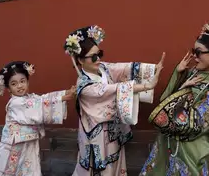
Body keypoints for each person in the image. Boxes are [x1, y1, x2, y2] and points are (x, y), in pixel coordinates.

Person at [63, 25, 165, 176]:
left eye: (99, 54)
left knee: (116, 164)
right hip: (97, 138)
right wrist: (146, 85)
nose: (99, 60)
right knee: (102, 169)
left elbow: (123, 68)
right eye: (93, 57)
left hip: (113, 132)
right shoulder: (84, 86)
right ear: (80, 60)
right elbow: (112, 90)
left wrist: (151, 70)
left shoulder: (103, 68)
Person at [141, 20, 209, 176]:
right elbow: (165, 100)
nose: (194, 56)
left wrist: (183, 89)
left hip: (187, 157)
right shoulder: (193, 74)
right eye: (194, 51)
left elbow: (186, 126)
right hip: (168, 150)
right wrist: (179, 74)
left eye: (198, 52)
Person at [0, 61, 75, 176]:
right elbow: (36, 106)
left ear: (28, 81)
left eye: (22, 81)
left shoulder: (30, 98)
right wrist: (63, 98)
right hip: (15, 145)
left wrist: (66, 92)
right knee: (10, 170)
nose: (19, 86)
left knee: (29, 170)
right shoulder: (15, 103)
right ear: (8, 88)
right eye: (14, 84)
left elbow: (43, 99)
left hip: (28, 143)